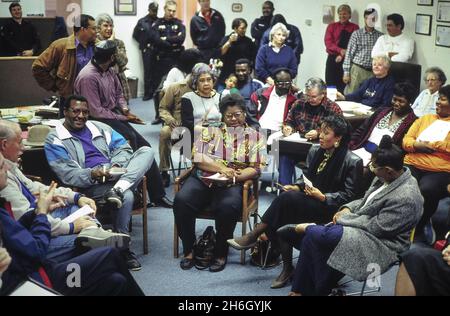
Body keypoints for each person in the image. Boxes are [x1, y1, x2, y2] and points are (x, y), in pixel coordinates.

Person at [228, 115, 363, 289]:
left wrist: (323, 197)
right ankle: (286, 267)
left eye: (326, 133)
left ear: (338, 138)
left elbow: (350, 197)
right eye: (320, 131)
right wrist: (297, 187)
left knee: (285, 202)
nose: (320, 136)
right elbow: (305, 177)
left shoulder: (353, 161)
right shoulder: (315, 151)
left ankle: (254, 236)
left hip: (331, 211)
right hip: (310, 201)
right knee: (286, 206)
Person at [283, 135, 423, 296]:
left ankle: (310, 283)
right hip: (364, 227)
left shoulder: (407, 197)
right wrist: (348, 208)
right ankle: (301, 291)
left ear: (388, 171)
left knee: (317, 234)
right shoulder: (388, 177)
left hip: (383, 242)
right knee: (314, 237)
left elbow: (378, 227)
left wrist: (345, 219)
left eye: (373, 166)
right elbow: (366, 200)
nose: (370, 168)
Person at [0, 164, 145, 296]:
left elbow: (22, 230)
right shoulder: (4, 208)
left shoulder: (4, 201)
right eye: (1, 167)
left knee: (116, 281)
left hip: (45, 271)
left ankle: (94, 232)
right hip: (43, 282)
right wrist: (41, 214)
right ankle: (94, 235)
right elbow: (36, 251)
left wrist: (35, 213)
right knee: (110, 254)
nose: (5, 169)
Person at [0, 120, 131, 263]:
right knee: (99, 249)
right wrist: (71, 227)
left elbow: (36, 188)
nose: (23, 148)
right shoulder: (4, 180)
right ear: (4, 144)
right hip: (33, 241)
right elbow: (28, 222)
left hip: (39, 219)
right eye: (19, 142)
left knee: (77, 206)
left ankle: (96, 233)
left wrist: (75, 196)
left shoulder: (8, 166)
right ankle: (98, 240)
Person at [174, 94, 266, 272]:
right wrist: (220, 169)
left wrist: (235, 177)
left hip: (233, 182)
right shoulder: (210, 131)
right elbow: (197, 157)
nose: (233, 119)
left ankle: (220, 252)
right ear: (223, 116)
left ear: (244, 114)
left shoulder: (255, 136)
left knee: (228, 206)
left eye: (237, 114)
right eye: (229, 115)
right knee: (181, 200)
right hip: (203, 178)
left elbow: (256, 168)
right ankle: (189, 250)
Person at [402, 85, 450, 245]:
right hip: (413, 162)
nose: (437, 103)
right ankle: (399, 223)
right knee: (403, 185)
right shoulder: (425, 119)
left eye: (442, 99)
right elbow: (406, 140)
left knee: (426, 190)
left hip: (439, 170)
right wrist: (417, 145)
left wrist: (435, 144)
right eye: (438, 98)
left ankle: (419, 226)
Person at [278, 77, 343, 185]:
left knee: (316, 163)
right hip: (297, 146)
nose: (309, 99)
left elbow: (338, 131)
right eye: (307, 95)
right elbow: (289, 121)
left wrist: (318, 133)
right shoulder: (299, 103)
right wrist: (288, 128)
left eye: (313, 96)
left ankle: (304, 188)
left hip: (320, 148)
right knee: (283, 155)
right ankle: (286, 189)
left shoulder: (333, 108)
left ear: (323, 94)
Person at [32, 14, 97, 116]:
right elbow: (38, 67)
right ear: (83, 29)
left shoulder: (98, 46)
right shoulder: (61, 46)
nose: (96, 31)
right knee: (68, 130)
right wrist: (56, 86)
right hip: (69, 100)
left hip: (93, 101)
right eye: (93, 28)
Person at [342, 8, 383, 94]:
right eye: (367, 18)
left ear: (375, 19)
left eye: (372, 18)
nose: (369, 21)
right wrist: (346, 72)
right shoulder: (356, 34)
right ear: (364, 19)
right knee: (351, 95)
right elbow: (349, 54)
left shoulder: (381, 36)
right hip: (357, 70)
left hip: (373, 72)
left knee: (368, 96)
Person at [181, 63, 221, 143]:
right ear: (196, 83)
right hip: (195, 138)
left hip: (218, 137)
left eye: (209, 79)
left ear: (213, 81)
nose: (206, 83)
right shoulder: (188, 98)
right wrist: (207, 131)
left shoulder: (220, 97)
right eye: (202, 80)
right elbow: (187, 125)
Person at [96, 13, 131, 103]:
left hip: (118, 80)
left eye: (111, 26)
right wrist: (108, 44)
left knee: (122, 110)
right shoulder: (94, 43)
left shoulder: (119, 43)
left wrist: (112, 45)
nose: (109, 29)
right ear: (98, 28)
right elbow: (99, 62)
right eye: (106, 25)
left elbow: (123, 61)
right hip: (101, 81)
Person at [324, 4, 359, 93]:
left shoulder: (354, 27)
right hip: (332, 58)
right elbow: (328, 43)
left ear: (349, 15)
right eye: (340, 14)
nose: (342, 16)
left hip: (347, 59)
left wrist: (343, 54)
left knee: (344, 84)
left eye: (345, 14)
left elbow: (354, 44)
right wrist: (340, 51)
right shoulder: (331, 26)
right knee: (330, 81)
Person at [218, 18, 257, 86]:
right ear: (235, 28)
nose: (244, 30)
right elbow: (221, 52)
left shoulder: (248, 41)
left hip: (243, 73)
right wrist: (229, 41)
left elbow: (253, 57)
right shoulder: (226, 39)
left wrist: (250, 70)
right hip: (228, 71)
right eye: (242, 28)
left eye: (245, 28)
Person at [132, 1, 159, 100]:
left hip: (157, 49)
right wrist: (143, 43)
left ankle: (156, 92)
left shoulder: (159, 21)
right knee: (147, 71)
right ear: (149, 10)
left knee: (157, 71)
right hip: (146, 50)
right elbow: (135, 35)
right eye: (153, 10)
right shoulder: (142, 21)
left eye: (156, 11)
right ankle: (147, 93)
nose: (154, 12)